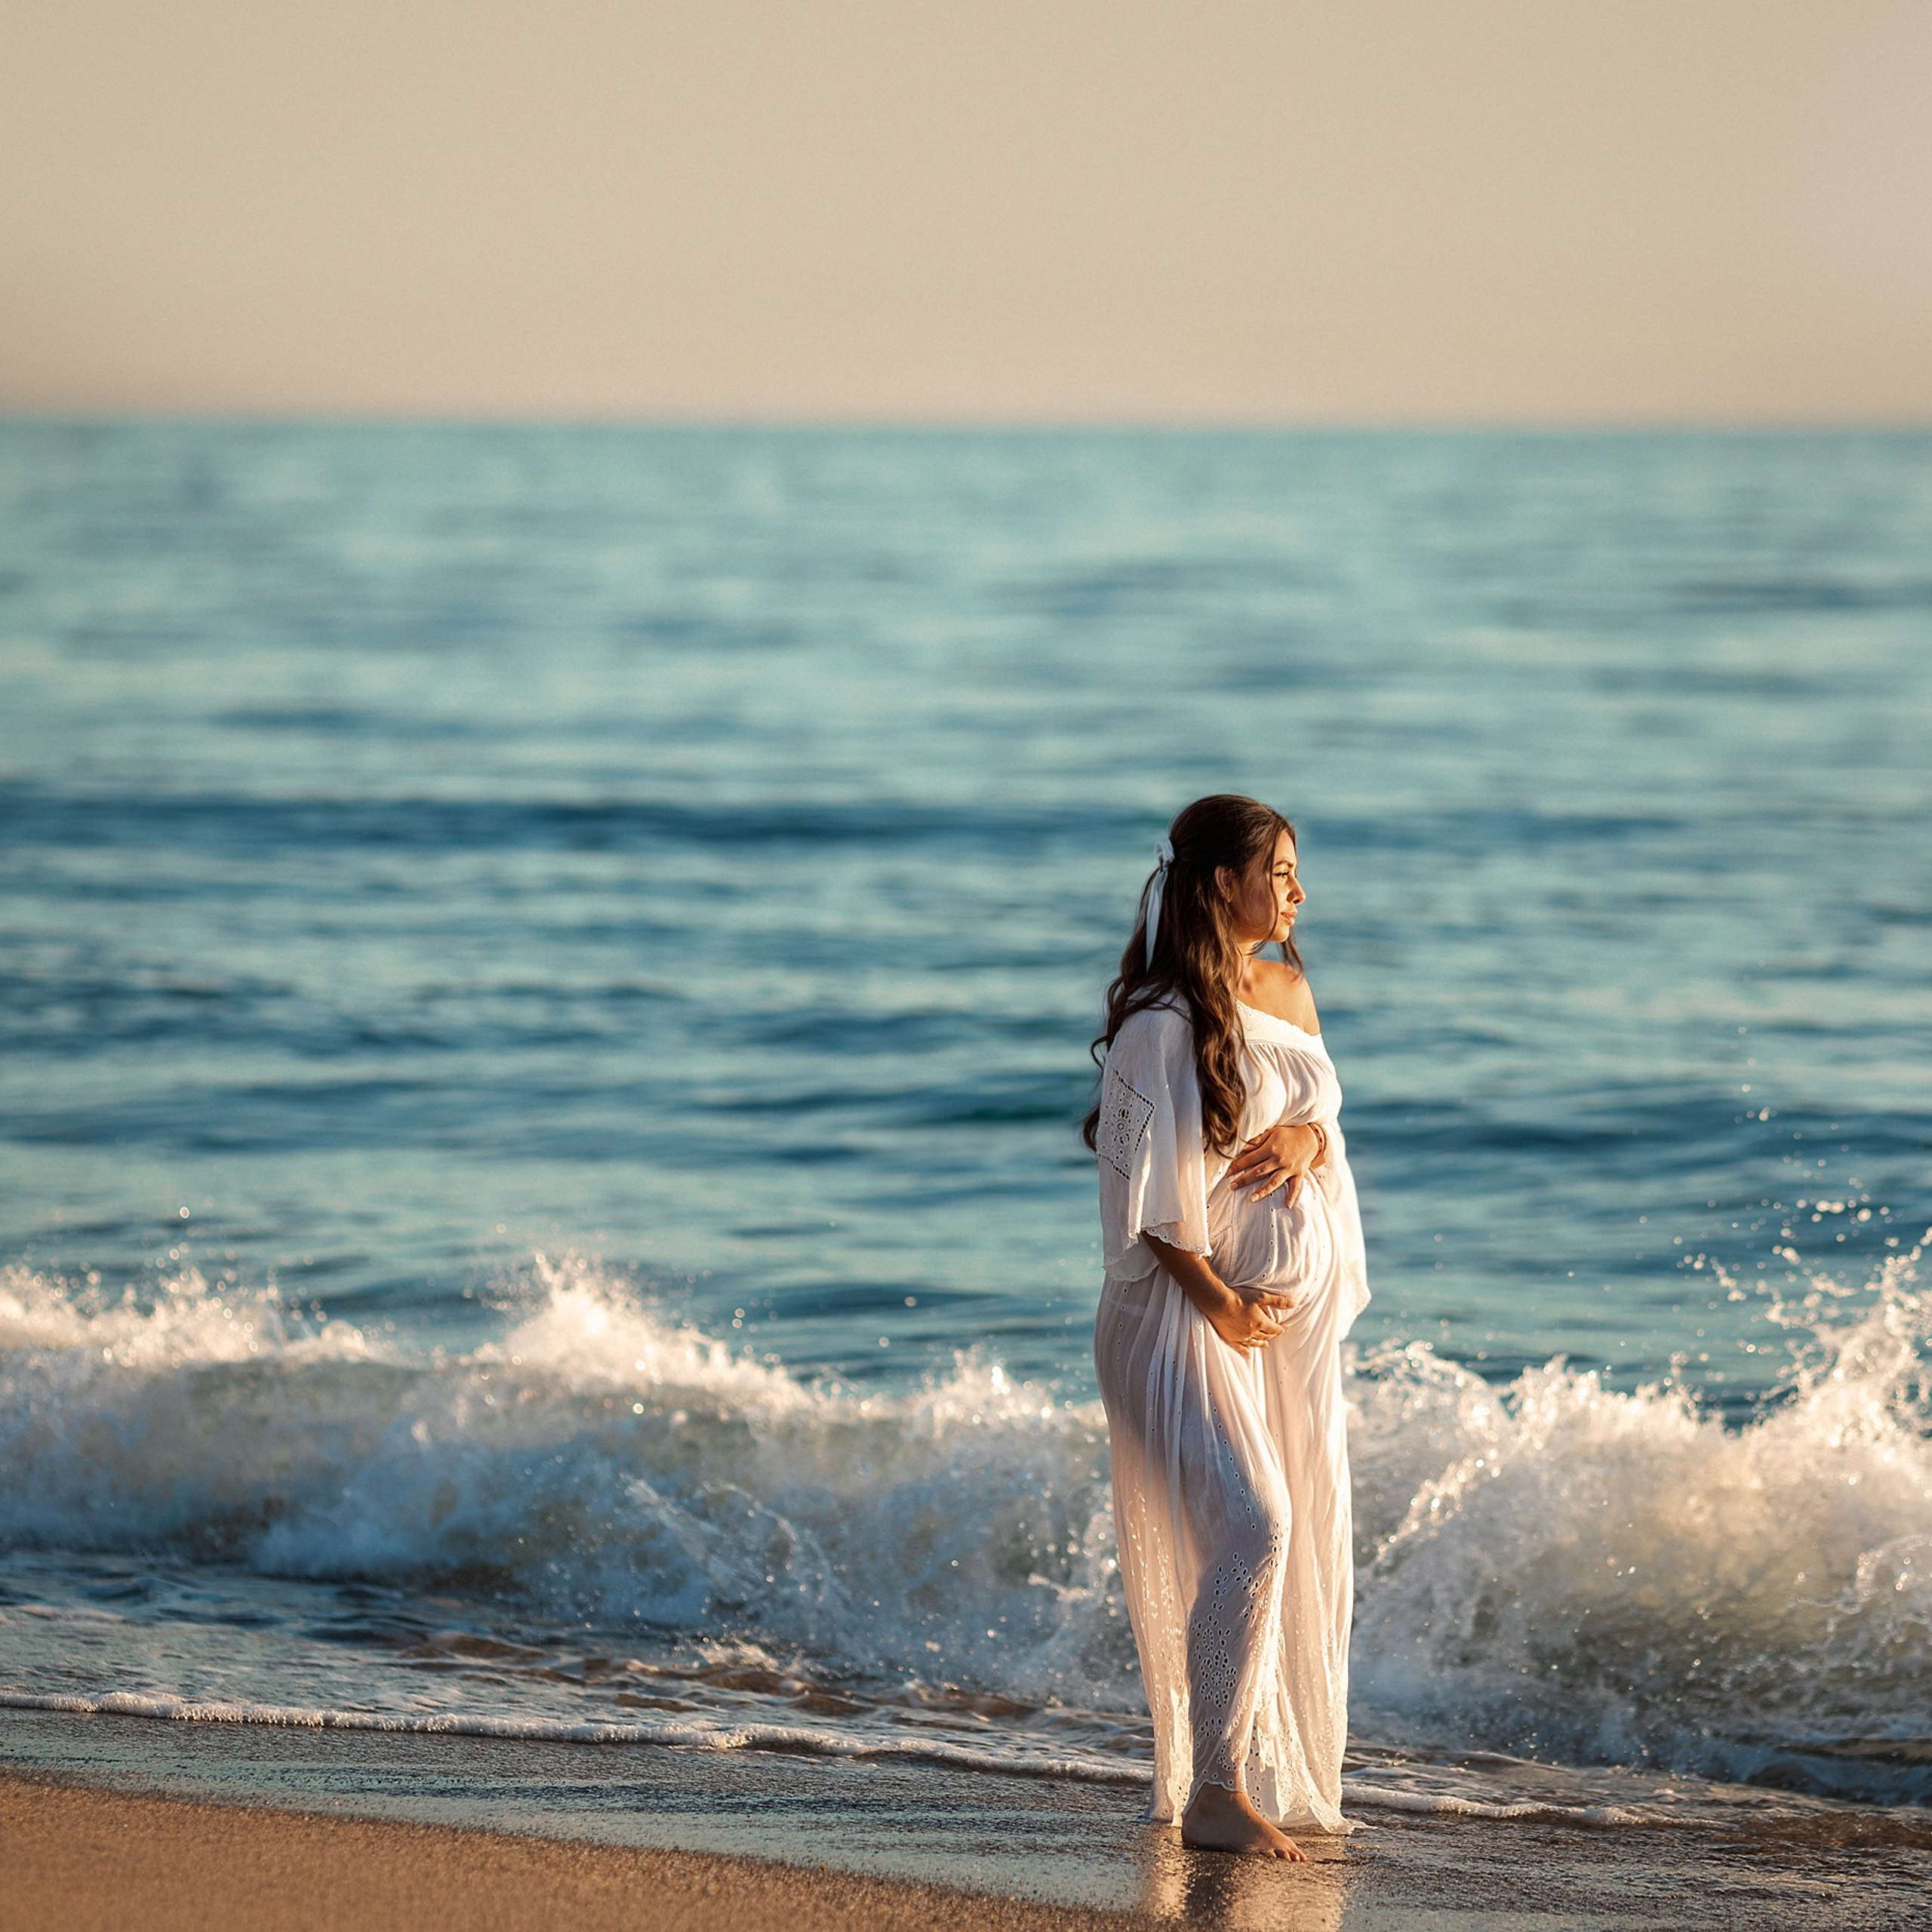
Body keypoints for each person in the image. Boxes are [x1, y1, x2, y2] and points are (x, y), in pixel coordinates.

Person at [1086, 794, 1370, 1860]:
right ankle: (1213, 1789)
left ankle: (1249, 1776)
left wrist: (1306, 1141)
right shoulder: (1164, 1016)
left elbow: (1318, 1115)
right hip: (1181, 1317)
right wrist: (1221, 1301)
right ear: (1220, 885)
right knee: (1255, 1527)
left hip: (1277, 1333)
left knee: (1287, 1541)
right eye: (1281, 870)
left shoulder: (1289, 983)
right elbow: (1148, 1198)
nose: (1300, 890)